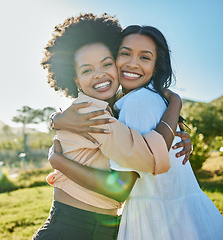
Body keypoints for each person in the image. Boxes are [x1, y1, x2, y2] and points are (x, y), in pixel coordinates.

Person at [50, 24, 223, 239]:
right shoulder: (110, 108)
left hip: (111, 223)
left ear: (156, 66)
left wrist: (58, 154)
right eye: (125, 54)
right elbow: (149, 158)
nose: (132, 63)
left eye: (145, 57)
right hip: (75, 226)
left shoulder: (132, 103)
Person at [32, 13, 189, 240]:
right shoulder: (92, 113)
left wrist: (55, 119)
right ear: (74, 79)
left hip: (95, 227)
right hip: (72, 228)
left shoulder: (107, 107)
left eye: (106, 64)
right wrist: (175, 102)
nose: (100, 74)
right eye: (87, 70)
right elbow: (146, 159)